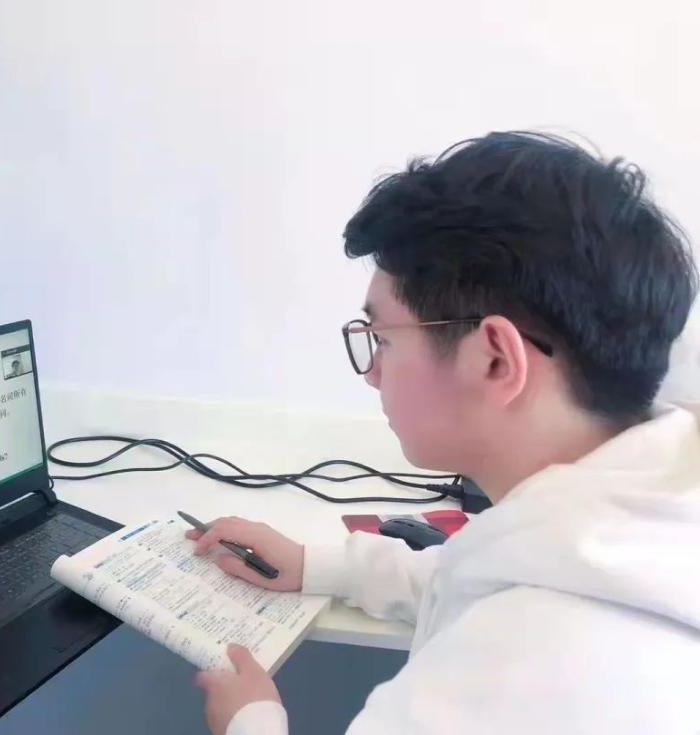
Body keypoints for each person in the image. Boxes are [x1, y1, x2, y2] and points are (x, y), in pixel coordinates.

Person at [187, 132, 700, 734]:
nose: (372, 373)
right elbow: (478, 570)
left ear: (495, 360)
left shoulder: (520, 671)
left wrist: (250, 720)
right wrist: (317, 565)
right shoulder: (643, 525)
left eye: (382, 339)